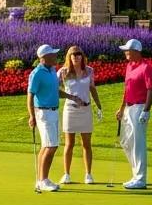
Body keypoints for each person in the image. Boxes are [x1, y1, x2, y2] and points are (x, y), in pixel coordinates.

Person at [27, 44, 85, 192]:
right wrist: (31, 116)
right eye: (52, 55)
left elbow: (55, 91)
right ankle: (44, 180)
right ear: (44, 58)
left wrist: (71, 97)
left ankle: (41, 179)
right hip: (43, 113)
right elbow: (30, 95)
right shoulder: (37, 73)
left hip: (53, 112)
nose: (55, 56)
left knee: (46, 146)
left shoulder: (52, 71)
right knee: (51, 146)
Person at [57, 45, 102, 184]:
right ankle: (66, 174)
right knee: (69, 144)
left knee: (86, 144)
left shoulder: (89, 71)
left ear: (82, 56)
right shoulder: (63, 72)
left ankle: (88, 174)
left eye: (78, 54)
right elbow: (55, 90)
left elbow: (92, 89)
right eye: (73, 54)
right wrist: (71, 97)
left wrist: (99, 106)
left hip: (86, 110)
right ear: (69, 57)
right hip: (70, 110)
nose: (76, 56)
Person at [115, 38, 152, 190]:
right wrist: (121, 108)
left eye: (128, 50)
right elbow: (126, 90)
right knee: (126, 142)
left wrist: (146, 110)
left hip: (139, 108)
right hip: (128, 108)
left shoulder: (146, 68)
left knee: (138, 144)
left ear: (136, 51)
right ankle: (135, 175)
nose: (125, 52)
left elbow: (151, 90)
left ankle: (140, 178)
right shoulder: (129, 66)